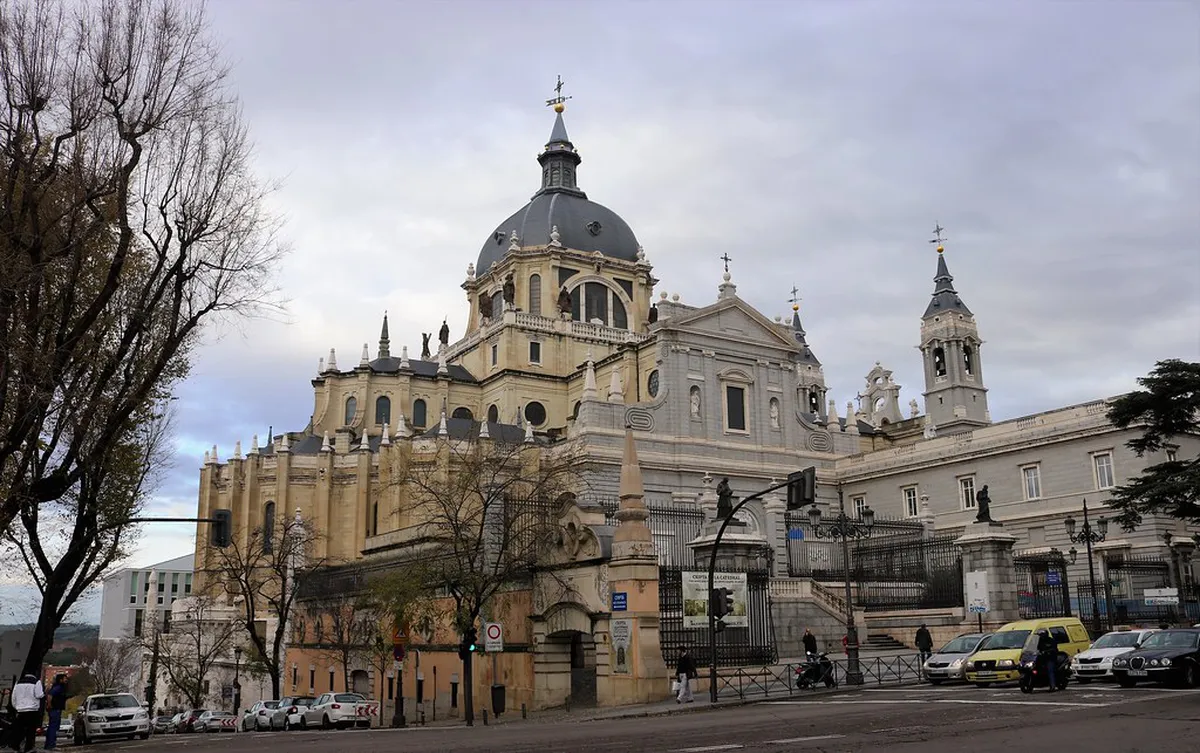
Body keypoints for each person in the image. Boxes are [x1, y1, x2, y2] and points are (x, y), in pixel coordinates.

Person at [9, 673, 44, 753]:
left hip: (20, 710)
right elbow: (39, 695)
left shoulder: (18, 683)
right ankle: (28, 748)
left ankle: (16, 747)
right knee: (30, 730)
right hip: (32, 709)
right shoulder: (36, 682)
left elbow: (13, 697)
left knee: (19, 730)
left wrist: (16, 706)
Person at [45, 674, 67, 750]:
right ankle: (51, 745)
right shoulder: (58, 687)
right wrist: (49, 704)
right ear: (60, 680)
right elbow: (50, 695)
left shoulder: (58, 687)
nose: (66, 680)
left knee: (52, 727)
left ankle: (48, 745)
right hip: (55, 709)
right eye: (64, 679)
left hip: (55, 709)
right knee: (53, 727)